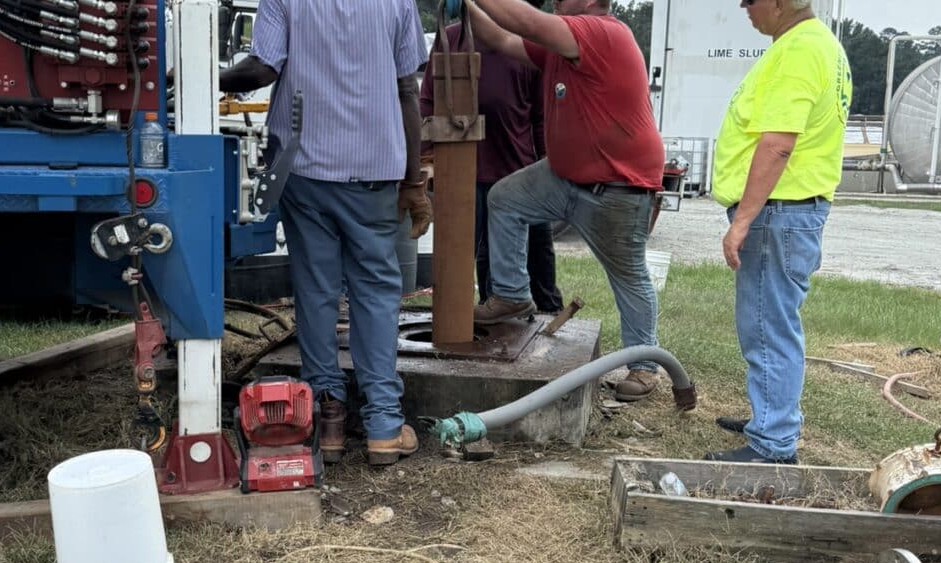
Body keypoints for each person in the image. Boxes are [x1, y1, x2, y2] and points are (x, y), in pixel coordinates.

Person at [218, 0, 432, 466]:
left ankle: (328, 418)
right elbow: (407, 91)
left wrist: (199, 80)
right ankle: (383, 426)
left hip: (305, 168)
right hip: (374, 168)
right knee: (375, 291)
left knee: (315, 289)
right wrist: (415, 181)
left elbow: (260, 70)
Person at [462, 0, 665, 402]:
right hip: (566, 175)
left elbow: (522, 19)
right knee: (505, 199)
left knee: (628, 277)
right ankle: (511, 295)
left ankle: (644, 368)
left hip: (617, 185)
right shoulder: (563, 43)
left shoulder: (601, 31)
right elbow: (500, 37)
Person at [704, 0, 851, 464]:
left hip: (778, 213)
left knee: (768, 328)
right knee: (771, 323)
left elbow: (778, 143)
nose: (743, 6)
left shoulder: (801, 49)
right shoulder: (816, 45)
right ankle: (769, 419)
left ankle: (772, 444)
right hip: (788, 211)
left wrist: (743, 220)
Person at [418, 2, 563, 314]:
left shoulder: (523, 47)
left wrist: (550, 165)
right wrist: (422, 162)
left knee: (537, 253)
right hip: (463, 175)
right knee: (469, 255)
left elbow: (540, 116)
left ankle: (550, 315)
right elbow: (427, 103)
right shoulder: (448, 41)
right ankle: (485, 319)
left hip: (517, 172)